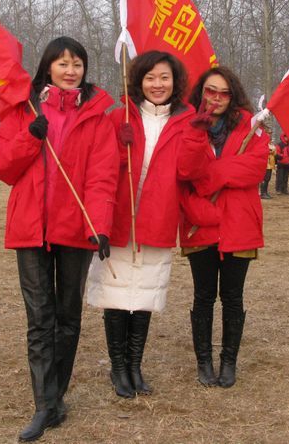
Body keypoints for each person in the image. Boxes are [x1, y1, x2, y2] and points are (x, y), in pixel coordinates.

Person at [0, 37, 118, 442]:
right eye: (62, 63)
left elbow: (102, 176)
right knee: (39, 317)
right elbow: (0, 166)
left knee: (68, 317)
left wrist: (99, 225)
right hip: (31, 229)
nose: (70, 70)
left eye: (77, 63)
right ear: (47, 68)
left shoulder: (97, 116)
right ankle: (45, 405)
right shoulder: (23, 110)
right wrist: (30, 135)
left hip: (76, 230)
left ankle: (55, 395)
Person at [87, 51, 193, 399]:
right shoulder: (119, 117)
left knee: (144, 295)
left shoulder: (187, 121)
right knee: (116, 296)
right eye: (150, 78)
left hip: (157, 220)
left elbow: (192, 173)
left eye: (164, 77)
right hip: (119, 220)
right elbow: (99, 168)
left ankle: (135, 365)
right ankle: (118, 368)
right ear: (138, 81)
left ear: (175, 82)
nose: (157, 84)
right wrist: (122, 149)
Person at [177, 66, 269, 388]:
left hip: (239, 223)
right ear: (201, 93)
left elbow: (256, 168)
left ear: (233, 96)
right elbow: (185, 170)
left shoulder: (250, 127)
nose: (216, 98)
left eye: (223, 93)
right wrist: (195, 134)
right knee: (203, 296)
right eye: (210, 91)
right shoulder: (187, 125)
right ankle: (204, 362)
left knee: (232, 297)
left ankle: (228, 361)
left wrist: (214, 174)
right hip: (198, 224)